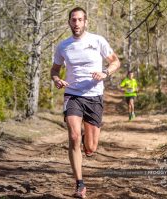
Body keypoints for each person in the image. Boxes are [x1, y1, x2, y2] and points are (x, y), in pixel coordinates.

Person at [50, 7, 120, 199]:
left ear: (86, 22)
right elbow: (54, 70)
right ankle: (80, 184)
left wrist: (105, 73)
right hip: (72, 95)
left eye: (80, 20)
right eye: (73, 20)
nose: (77, 23)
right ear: (69, 22)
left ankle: (86, 141)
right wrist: (57, 80)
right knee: (73, 137)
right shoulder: (63, 46)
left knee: (90, 147)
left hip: (94, 96)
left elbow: (115, 62)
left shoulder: (98, 41)